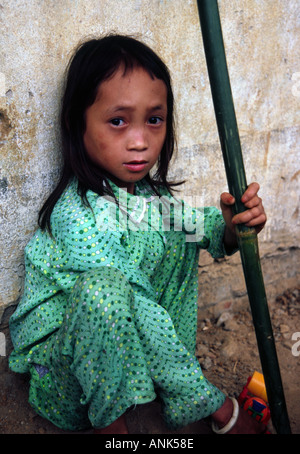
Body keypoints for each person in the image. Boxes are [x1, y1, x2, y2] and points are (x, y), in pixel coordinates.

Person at [9, 34, 267, 434]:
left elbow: (198, 228)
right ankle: (114, 431)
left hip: (127, 361)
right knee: (105, 290)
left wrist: (233, 228)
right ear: (77, 124)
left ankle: (165, 383)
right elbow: (132, 304)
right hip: (67, 383)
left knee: (176, 237)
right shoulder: (76, 216)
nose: (140, 141)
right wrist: (218, 408)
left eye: (154, 119)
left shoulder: (147, 196)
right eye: (117, 121)